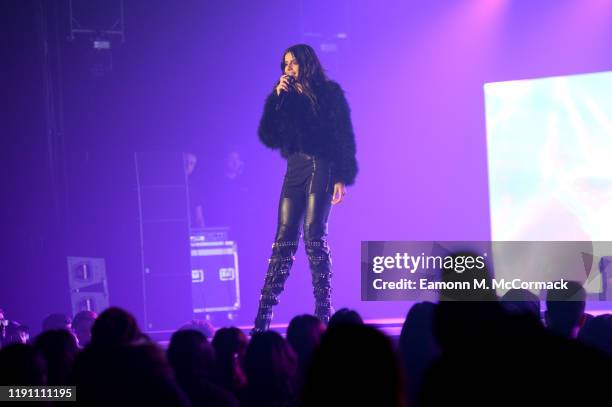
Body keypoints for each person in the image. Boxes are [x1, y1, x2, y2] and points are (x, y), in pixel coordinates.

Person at [252, 44, 358, 332]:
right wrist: (277, 101)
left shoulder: (329, 94)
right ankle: (263, 316)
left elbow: (342, 136)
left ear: (306, 64)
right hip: (295, 168)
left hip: (321, 165)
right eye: (285, 63)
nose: (288, 69)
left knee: (313, 235)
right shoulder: (284, 98)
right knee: (283, 238)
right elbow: (269, 136)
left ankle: (323, 310)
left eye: (293, 63)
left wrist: (341, 175)